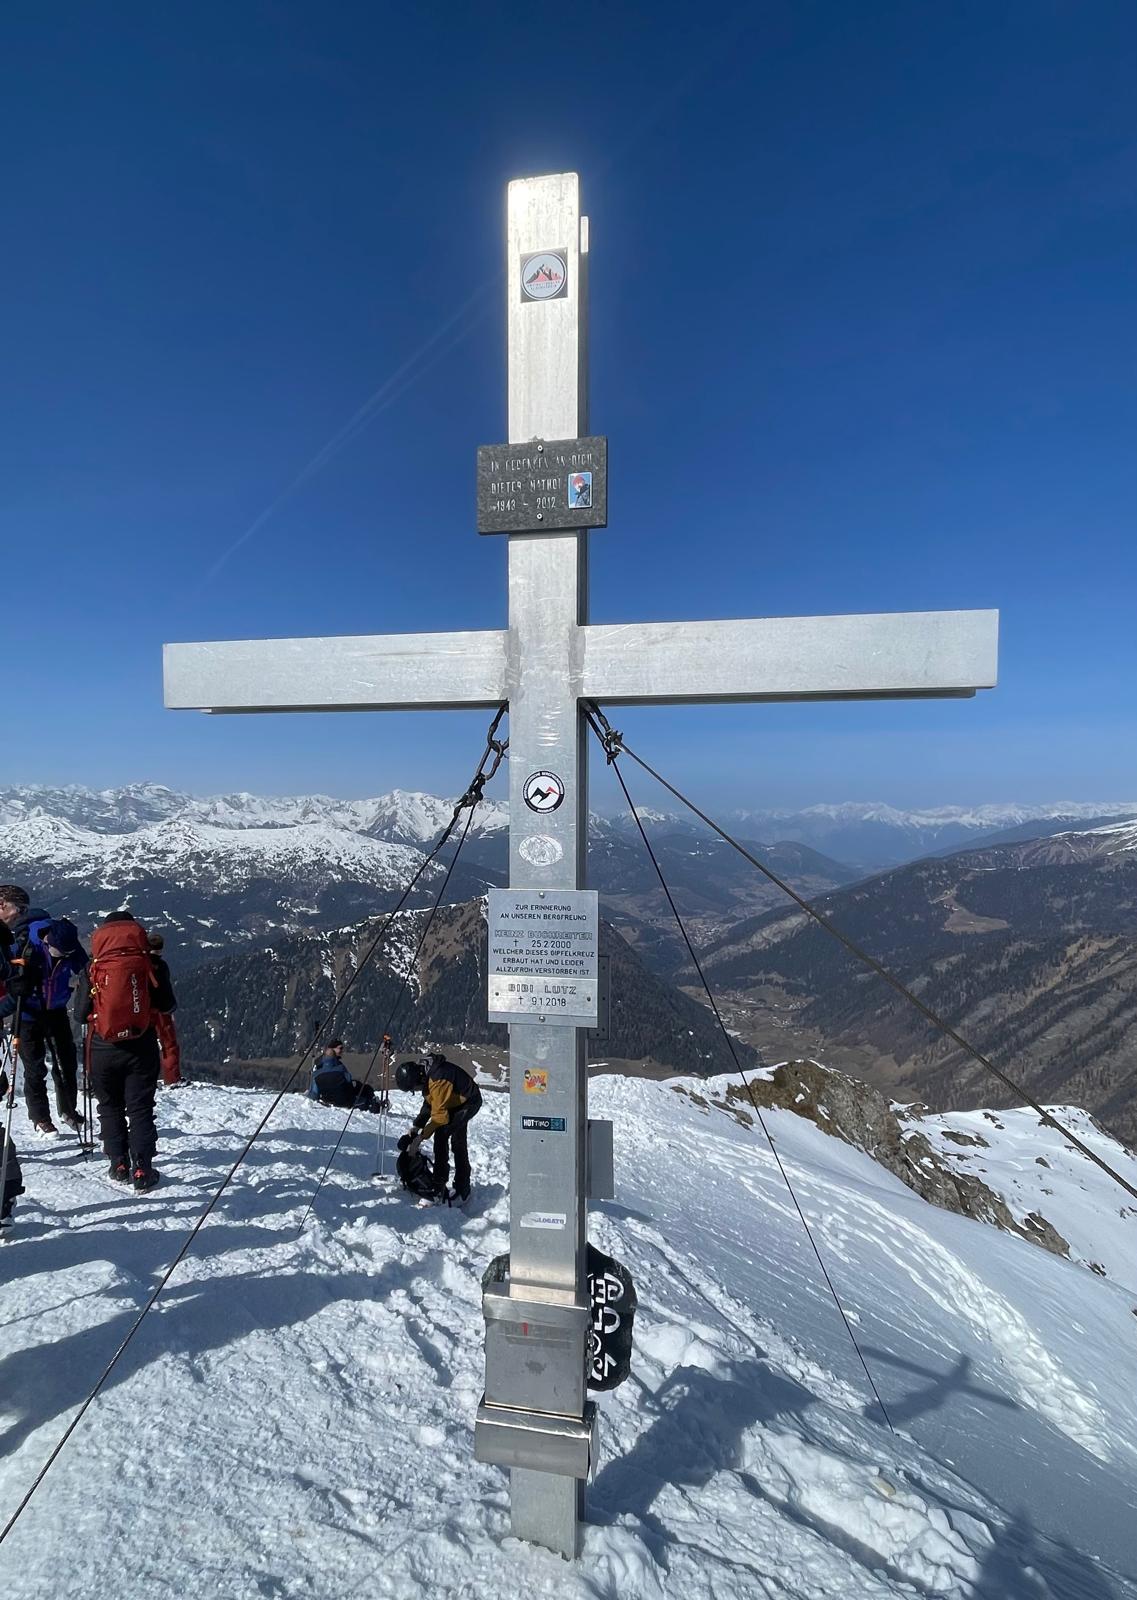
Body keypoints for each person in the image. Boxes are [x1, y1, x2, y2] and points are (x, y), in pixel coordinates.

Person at [72, 911, 176, 1192]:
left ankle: (118, 1163)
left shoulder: (92, 968)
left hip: (102, 1048)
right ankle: (142, 1168)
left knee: (109, 1105)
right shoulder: (151, 964)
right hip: (141, 1045)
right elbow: (167, 1005)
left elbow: (80, 1015)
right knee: (140, 1107)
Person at [0, 886, 88, 1136]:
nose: (63, 958)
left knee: (65, 1063)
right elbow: (10, 975)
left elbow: (85, 968)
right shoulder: (25, 943)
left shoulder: (65, 940)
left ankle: (67, 1110)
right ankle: (41, 1118)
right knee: (35, 1067)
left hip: (53, 1010)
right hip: (28, 1011)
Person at [395, 1050, 482, 1203]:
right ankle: (441, 1182)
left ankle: (459, 1187)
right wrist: (416, 1127)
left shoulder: (438, 1079)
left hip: (468, 1102)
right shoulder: (425, 1072)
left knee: (449, 1138)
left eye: (414, 1087)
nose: (416, 1090)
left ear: (417, 1079)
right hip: (453, 1101)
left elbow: (439, 1118)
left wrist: (420, 1138)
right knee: (444, 1135)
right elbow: (430, 1102)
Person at [147, 932, 184, 1087]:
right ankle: (172, 1079)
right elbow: (165, 991)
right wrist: (170, 1008)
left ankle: (146, 1079)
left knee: (145, 1045)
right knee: (169, 1045)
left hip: (141, 1012)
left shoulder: (139, 965)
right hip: (161, 1012)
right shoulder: (161, 966)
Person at [310, 1040, 382, 1112]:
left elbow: (314, 1091)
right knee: (365, 1089)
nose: (342, 1051)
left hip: (327, 1099)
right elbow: (348, 1081)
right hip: (345, 1100)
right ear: (333, 1049)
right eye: (340, 1048)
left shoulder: (317, 1071)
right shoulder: (340, 1068)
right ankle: (375, 1105)